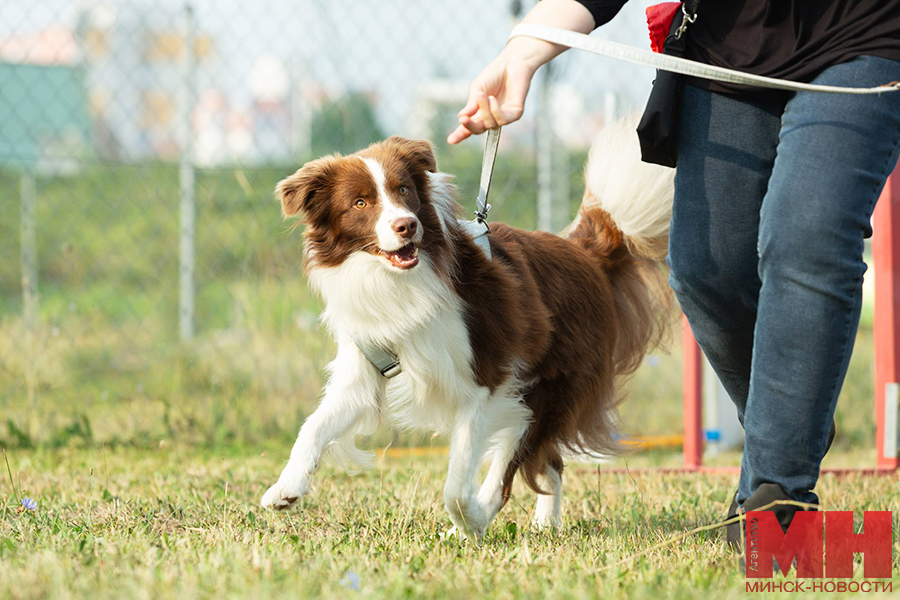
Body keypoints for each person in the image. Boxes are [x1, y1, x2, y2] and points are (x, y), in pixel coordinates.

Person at [448, 0, 900, 550]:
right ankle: (791, 418)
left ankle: (778, 493)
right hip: (732, 46)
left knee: (808, 238)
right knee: (704, 269)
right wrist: (521, 54)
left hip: (866, 34)